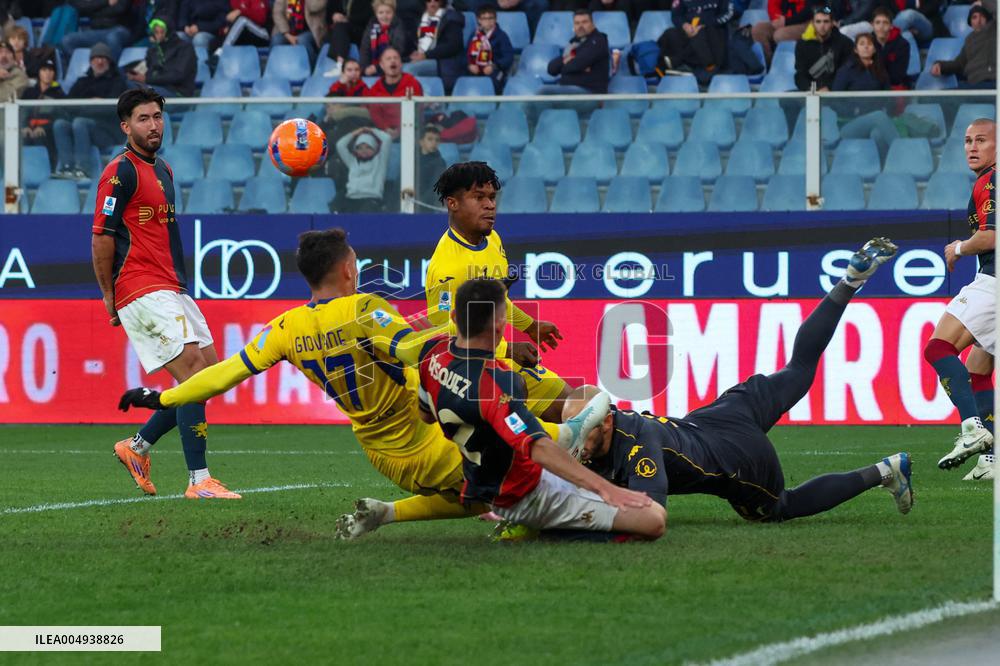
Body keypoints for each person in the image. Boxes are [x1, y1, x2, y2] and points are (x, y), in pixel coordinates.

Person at [117, 228, 601, 538]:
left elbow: (224, 373)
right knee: (538, 475)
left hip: (382, 452)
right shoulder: (366, 308)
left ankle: (389, 513)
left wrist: (164, 395)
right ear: (349, 268)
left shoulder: (285, 328)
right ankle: (560, 459)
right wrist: (480, 338)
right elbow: (412, 349)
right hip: (425, 439)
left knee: (470, 498)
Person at [569, 238, 914, 525]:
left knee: (778, 507)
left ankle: (884, 471)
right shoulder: (603, 431)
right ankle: (849, 282)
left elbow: (650, 515)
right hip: (725, 412)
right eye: (576, 429)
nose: (579, 440)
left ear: (609, 419)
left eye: (587, 431)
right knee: (798, 368)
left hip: (737, 454)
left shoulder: (636, 444)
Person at [416, 278, 666, 541]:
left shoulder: (433, 352)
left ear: (454, 316)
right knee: (653, 520)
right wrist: (607, 489)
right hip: (527, 494)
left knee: (576, 419)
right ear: (501, 325)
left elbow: (425, 414)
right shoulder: (497, 383)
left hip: (488, 481)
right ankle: (548, 531)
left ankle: (573, 442)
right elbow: (539, 448)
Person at [93, 88, 237, 500]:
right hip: (138, 286)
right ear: (126, 126)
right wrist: (109, 295)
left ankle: (137, 447)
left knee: (209, 378)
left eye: (157, 116)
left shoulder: (165, 171)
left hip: (172, 285)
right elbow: (101, 236)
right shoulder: (120, 172)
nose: (153, 125)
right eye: (143, 118)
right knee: (193, 374)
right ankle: (199, 480)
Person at [424, 162, 573, 424]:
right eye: (478, 197)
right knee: (514, 389)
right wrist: (508, 349)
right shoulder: (447, 267)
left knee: (575, 409)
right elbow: (443, 332)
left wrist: (530, 326)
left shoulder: (491, 239)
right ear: (452, 203)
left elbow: (496, 298)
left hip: (497, 360)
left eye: (492, 198)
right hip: (464, 373)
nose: (490, 205)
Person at [924, 118, 996, 478]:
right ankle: (993, 459)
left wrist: (958, 248)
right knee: (979, 369)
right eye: (968, 140)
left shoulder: (993, 180)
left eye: (981, 140)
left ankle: (972, 428)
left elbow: (991, 237)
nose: (972, 147)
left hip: (994, 281)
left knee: (938, 348)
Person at [52, 42, 127, 179]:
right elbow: (67, 105)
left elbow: (113, 109)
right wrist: (94, 104)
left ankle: (83, 170)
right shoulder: (82, 82)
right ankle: (66, 167)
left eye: (103, 58)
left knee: (80, 122)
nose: (99, 61)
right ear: (91, 61)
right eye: (96, 58)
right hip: (82, 128)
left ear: (109, 61)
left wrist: (85, 108)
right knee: (60, 124)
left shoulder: (118, 82)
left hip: (108, 132)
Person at [656, 0, 734, 80]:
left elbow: (728, 14)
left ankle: (705, 67)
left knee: (701, 35)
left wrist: (705, 24)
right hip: (689, 29)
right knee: (670, 34)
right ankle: (673, 67)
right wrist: (685, 25)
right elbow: (676, 15)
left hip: (712, 31)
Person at [929, 3, 996, 90]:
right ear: (970, 22)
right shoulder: (969, 39)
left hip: (992, 83)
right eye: (974, 17)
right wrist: (941, 66)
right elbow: (959, 64)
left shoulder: (995, 29)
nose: (978, 20)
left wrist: (984, 2)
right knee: (935, 97)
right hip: (973, 85)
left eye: (982, 16)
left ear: (987, 19)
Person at [544, 9, 610, 94]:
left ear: (593, 24)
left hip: (591, 93)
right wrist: (566, 61)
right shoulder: (573, 43)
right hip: (570, 90)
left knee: (544, 92)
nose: (580, 26)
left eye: (584, 22)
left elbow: (576, 64)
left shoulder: (599, 40)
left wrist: (565, 66)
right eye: (577, 23)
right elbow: (551, 69)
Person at [406, 0, 465, 94]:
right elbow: (413, 42)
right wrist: (414, 53)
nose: (432, 2)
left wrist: (426, 55)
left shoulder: (451, 19)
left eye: (436, 0)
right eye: (429, 0)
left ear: (442, 2)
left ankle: (413, 103)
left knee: (408, 69)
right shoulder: (421, 18)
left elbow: (453, 46)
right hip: (424, 57)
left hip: (442, 62)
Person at [128, 18, 197, 97]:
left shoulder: (185, 48)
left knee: (134, 90)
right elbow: (146, 67)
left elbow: (178, 75)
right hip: (156, 88)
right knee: (126, 82)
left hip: (177, 93)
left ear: (169, 32)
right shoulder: (153, 50)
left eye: (162, 32)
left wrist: (147, 79)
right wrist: (132, 73)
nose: (159, 35)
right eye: (156, 32)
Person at [364, 47, 422, 137]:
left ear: (401, 64)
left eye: (396, 58)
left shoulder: (413, 83)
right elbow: (374, 114)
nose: (393, 61)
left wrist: (399, 130)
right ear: (382, 65)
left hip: (409, 132)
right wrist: (385, 128)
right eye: (388, 59)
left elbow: (417, 111)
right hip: (383, 133)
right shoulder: (375, 89)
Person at [794, 6, 852, 91]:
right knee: (785, 101)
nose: (822, 25)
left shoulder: (845, 43)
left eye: (826, 21)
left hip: (837, 91)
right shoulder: (802, 44)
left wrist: (829, 87)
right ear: (812, 23)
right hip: (811, 91)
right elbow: (800, 74)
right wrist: (809, 89)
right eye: (818, 22)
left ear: (832, 23)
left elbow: (846, 73)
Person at [335, 126, 392, 212]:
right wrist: (354, 133)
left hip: (371, 200)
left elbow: (387, 139)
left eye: (368, 147)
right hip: (350, 199)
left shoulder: (380, 162)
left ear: (375, 148)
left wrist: (372, 130)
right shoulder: (352, 162)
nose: (364, 150)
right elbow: (340, 145)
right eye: (360, 148)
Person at [21, 58, 65, 169]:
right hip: (28, 129)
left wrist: (44, 127)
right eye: (44, 70)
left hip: (47, 131)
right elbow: (21, 111)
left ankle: (45, 171)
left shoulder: (59, 94)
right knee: (22, 137)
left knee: (40, 137)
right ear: (39, 72)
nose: (47, 73)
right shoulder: (29, 92)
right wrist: (25, 126)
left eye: (50, 71)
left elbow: (61, 117)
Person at [61, 0, 132, 61]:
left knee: (112, 38)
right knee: (67, 40)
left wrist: (94, 9)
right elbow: (82, 7)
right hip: (96, 32)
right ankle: (87, 71)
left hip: (119, 29)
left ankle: (111, 72)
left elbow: (120, 9)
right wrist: (106, 2)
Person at [466, 4, 514, 93]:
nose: (488, 21)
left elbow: (508, 57)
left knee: (492, 83)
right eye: (484, 18)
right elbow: (467, 54)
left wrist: (494, 66)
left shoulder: (501, 36)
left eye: (490, 18)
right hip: (476, 70)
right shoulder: (474, 36)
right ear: (479, 20)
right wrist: (470, 65)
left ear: (495, 19)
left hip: (495, 70)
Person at [751, 0, 815, 64]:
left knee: (780, 35)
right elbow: (773, 5)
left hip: (806, 23)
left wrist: (786, 22)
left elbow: (810, 10)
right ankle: (768, 63)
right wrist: (778, 20)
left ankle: (792, 65)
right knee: (758, 30)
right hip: (784, 21)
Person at [358, 0, 409, 76]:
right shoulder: (371, 26)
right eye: (380, 13)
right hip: (372, 67)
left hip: (393, 65)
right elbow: (365, 49)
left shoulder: (398, 26)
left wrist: (378, 67)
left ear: (393, 13)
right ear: (376, 14)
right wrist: (365, 68)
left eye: (388, 12)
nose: (384, 16)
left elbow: (397, 50)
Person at [272, 0, 328, 65]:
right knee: (276, 40)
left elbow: (313, 7)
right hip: (286, 31)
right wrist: (287, 34)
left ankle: (313, 69)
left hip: (311, 31)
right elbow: (277, 13)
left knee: (302, 40)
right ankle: (276, 68)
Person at [871, 7, 910, 89]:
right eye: (877, 23)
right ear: (872, 25)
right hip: (872, 86)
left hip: (893, 88)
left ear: (891, 26)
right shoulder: (868, 42)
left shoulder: (902, 45)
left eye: (885, 23)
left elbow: (897, 77)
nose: (881, 26)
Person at [417, 125, 446, 205]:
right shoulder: (411, 160)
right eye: (430, 139)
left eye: (437, 140)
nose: (434, 143)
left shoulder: (440, 163)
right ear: (421, 142)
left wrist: (420, 202)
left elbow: (436, 188)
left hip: (425, 206)